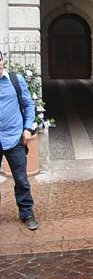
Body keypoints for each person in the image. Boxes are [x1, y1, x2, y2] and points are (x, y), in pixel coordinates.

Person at [0, 50, 39, 230]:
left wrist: (27, 128)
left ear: (2, 61)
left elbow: (28, 104)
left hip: (14, 137)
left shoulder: (16, 80)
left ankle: (27, 213)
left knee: (21, 179)